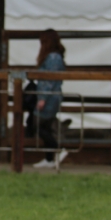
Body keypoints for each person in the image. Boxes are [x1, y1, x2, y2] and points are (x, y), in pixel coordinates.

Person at [33, 29, 68, 169]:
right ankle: (49, 158)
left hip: (50, 97)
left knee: (37, 125)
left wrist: (43, 98)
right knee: (45, 126)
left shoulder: (53, 57)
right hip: (50, 95)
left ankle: (57, 149)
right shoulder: (53, 56)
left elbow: (50, 79)